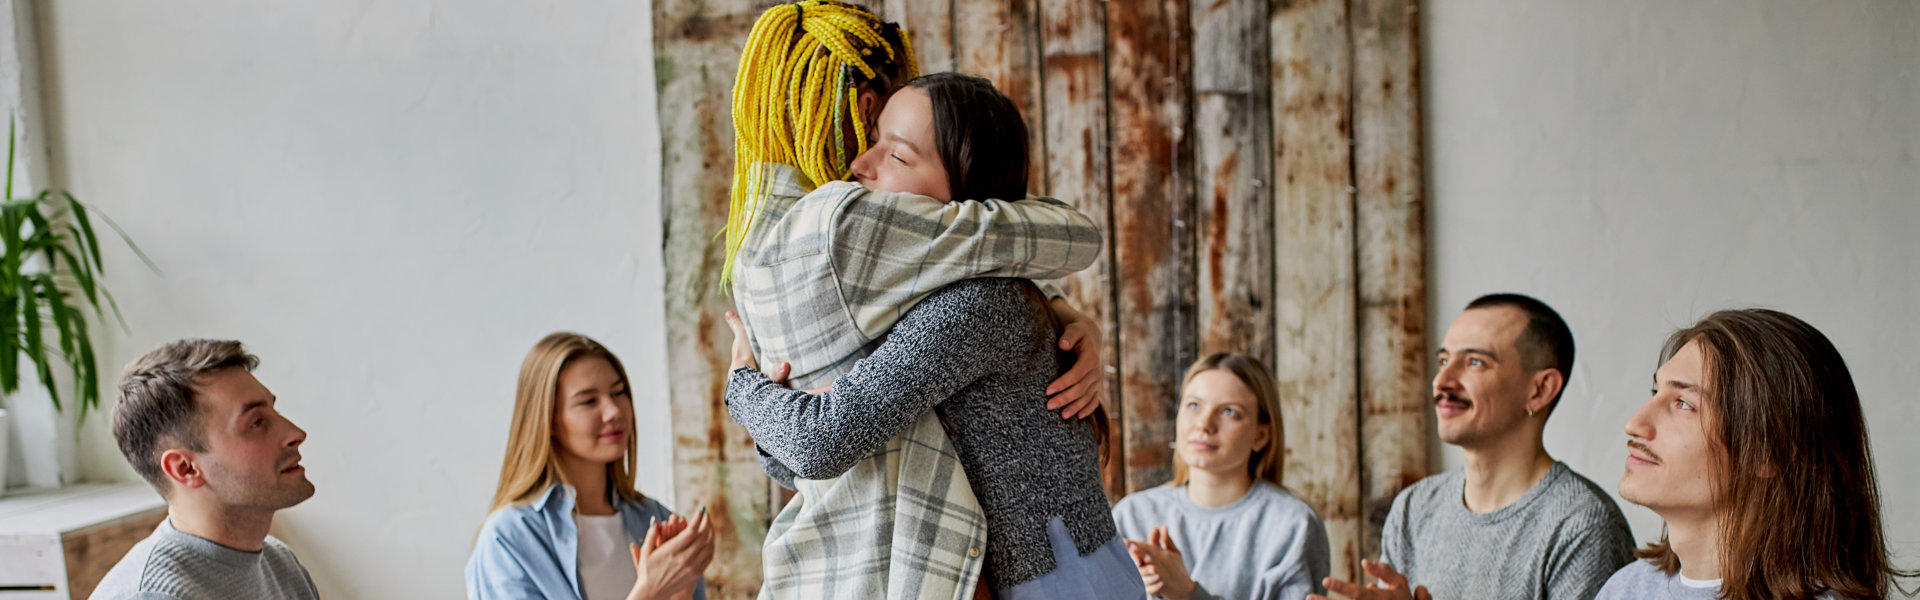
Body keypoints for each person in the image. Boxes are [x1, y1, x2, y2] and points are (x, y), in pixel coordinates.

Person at [724, 2, 1108, 597]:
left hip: (1057, 578)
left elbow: (811, 443)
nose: (857, 166)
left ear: (966, 201)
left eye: (895, 152)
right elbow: (805, 452)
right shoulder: (885, 269)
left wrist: (744, 387)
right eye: (871, 134)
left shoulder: (971, 304)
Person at [1315, 294, 1633, 600]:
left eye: (1475, 362)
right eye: (1443, 360)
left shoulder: (1584, 526)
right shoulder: (1414, 507)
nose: (1442, 381)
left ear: (1539, 390)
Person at [1596, 309, 1916, 600]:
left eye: (1684, 404)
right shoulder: (1626, 589)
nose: (1634, 424)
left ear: (1767, 452)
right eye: (1656, 392)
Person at [466, 333, 712, 600]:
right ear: (547, 420)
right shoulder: (509, 538)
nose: (613, 411)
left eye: (618, 393)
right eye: (588, 401)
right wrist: (648, 594)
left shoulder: (658, 520)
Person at [92, 339, 321, 600]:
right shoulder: (155, 595)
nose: (295, 433)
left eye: (274, 409)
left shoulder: (280, 565)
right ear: (185, 469)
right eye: (256, 423)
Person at [1113, 353, 1330, 600]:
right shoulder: (1131, 516)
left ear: (1261, 435)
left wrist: (1188, 594)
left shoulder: (1293, 525)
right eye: (1194, 405)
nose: (1205, 425)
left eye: (1229, 411)